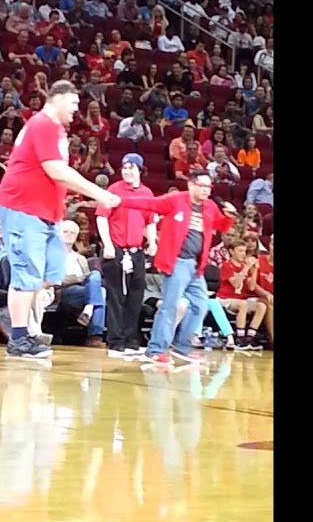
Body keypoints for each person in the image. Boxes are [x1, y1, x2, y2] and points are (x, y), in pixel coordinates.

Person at [0, 80, 121, 360]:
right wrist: (99, 193)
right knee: (27, 273)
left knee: (52, 273)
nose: (78, 111)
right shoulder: (43, 125)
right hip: (23, 207)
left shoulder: (58, 131)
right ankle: (18, 336)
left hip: (45, 212)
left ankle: (13, 313)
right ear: (59, 99)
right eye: (74, 104)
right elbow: (56, 171)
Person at [114, 172, 238, 368]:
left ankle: (183, 346)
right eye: (202, 185)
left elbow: (220, 225)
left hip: (196, 267)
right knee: (169, 307)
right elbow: (149, 204)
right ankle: (155, 350)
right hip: (177, 262)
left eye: (209, 187)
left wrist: (229, 216)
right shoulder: (176, 200)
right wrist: (119, 201)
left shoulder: (210, 207)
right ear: (191, 185)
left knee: (200, 305)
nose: (206, 190)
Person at [95, 153, 158, 358]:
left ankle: (131, 338)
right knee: (116, 295)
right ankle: (115, 340)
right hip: (117, 249)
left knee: (135, 295)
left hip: (137, 251)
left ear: (140, 169)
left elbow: (150, 220)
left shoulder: (147, 193)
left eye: (131, 167)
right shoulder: (114, 190)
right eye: (124, 168)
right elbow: (102, 218)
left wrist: (152, 241)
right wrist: (108, 245)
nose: (127, 171)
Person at [216, 239, 267, 350]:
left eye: (244, 251)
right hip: (225, 299)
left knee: (261, 306)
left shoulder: (245, 266)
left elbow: (252, 287)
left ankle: (250, 336)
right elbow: (235, 284)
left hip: (241, 299)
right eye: (240, 251)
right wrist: (246, 268)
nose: (243, 254)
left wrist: (254, 271)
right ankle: (240, 337)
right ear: (231, 251)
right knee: (242, 304)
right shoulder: (226, 265)